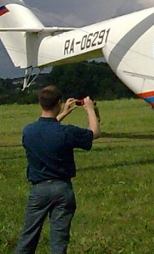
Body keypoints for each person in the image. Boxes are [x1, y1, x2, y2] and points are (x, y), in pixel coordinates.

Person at [14, 86, 100, 254]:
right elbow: (94, 133)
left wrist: (62, 114)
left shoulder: (28, 131)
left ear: (41, 103)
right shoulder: (66, 132)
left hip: (38, 189)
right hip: (62, 188)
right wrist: (90, 110)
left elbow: (47, 128)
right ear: (58, 103)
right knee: (59, 241)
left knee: (28, 238)